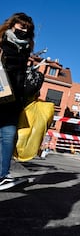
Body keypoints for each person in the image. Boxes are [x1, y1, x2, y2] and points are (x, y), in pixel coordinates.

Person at [0, 13, 35, 190]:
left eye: (28, 28)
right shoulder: (2, 42)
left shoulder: (26, 49)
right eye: (22, 26)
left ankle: (2, 175)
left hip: (13, 100)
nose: (25, 30)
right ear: (12, 25)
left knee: (8, 137)